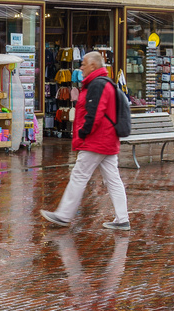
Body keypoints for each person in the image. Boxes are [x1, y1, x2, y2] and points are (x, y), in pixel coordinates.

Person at [42, 50, 130, 231]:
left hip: (96, 140)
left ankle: (64, 215)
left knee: (79, 175)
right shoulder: (104, 83)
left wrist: (83, 132)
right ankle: (122, 218)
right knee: (113, 179)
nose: (80, 67)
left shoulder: (97, 85)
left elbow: (94, 113)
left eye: (83, 64)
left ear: (93, 66)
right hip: (107, 139)